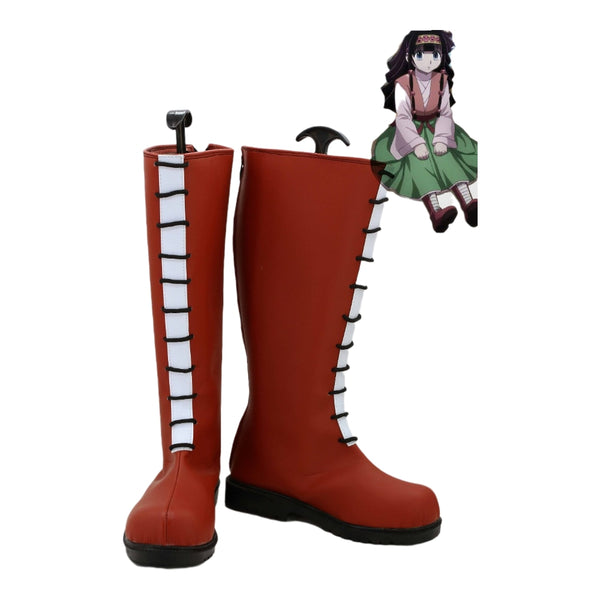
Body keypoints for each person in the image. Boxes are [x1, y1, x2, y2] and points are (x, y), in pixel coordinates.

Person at [372, 30, 478, 232]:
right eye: (421, 55)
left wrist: (442, 138)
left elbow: (445, 112)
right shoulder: (403, 83)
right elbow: (402, 118)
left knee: (449, 159)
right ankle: (436, 211)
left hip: (438, 127)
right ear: (410, 56)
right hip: (409, 131)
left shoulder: (442, 80)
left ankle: (468, 202)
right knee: (419, 164)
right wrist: (417, 144)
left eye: (435, 55)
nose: (428, 62)